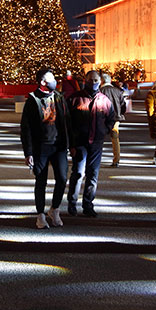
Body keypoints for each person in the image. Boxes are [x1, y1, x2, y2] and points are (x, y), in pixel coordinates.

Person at [21, 68, 72, 229]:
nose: (55, 81)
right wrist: (28, 152)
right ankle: (40, 215)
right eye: (51, 78)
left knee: (62, 178)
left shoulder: (59, 97)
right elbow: (26, 128)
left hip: (59, 145)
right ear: (43, 82)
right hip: (40, 146)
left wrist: (71, 143)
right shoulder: (33, 100)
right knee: (40, 181)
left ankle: (55, 209)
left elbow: (67, 121)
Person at [68, 70, 116, 217]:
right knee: (78, 173)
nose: (93, 83)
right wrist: (71, 144)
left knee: (93, 174)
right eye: (90, 80)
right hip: (80, 142)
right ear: (85, 80)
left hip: (96, 142)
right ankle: (72, 203)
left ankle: (88, 204)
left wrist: (104, 130)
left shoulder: (104, 100)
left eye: (96, 80)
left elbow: (111, 118)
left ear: (100, 81)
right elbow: (68, 121)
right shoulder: (75, 98)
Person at [100, 73, 127, 167]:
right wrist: (120, 114)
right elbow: (123, 105)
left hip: (102, 117)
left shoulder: (100, 91)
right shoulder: (117, 91)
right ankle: (116, 160)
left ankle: (96, 158)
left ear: (101, 81)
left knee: (99, 138)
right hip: (116, 117)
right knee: (115, 138)